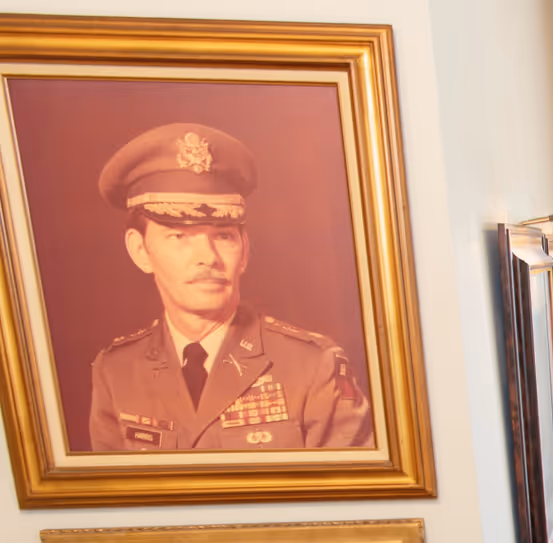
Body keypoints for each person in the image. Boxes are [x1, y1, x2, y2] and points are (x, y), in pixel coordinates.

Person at [88, 122, 371, 452]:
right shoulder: (116, 372)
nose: (207, 257)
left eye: (223, 236)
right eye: (179, 236)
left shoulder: (313, 367)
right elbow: (113, 499)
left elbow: (351, 498)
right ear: (140, 251)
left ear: (245, 250)